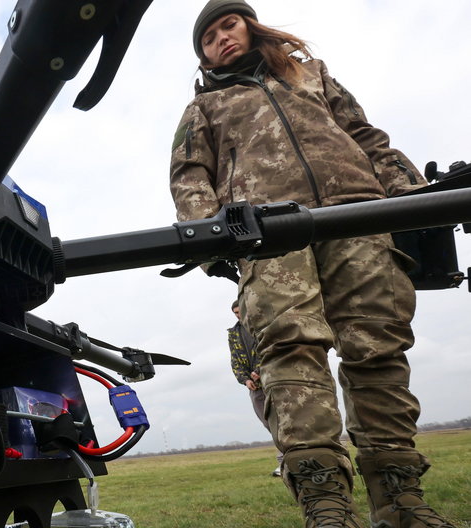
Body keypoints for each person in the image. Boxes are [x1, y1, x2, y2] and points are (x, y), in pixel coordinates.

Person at [170, 1, 456, 527]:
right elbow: (190, 175)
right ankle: (325, 501)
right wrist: (214, 245)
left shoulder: (313, 76)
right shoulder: (204, 108)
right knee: (290, 351)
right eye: (207, 38)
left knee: (379, 348)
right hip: (268, 233)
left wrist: (415, 199)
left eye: (227, 25)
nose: (220, 40)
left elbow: (367, 137)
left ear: (249, 26)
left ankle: (400, 499)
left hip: (359, 216)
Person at [228, 299, 282, 477]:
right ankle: (284, 463)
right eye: (235, 313)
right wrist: (244, 379)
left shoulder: (261, 325)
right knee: (269, 423)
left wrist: (260, 370)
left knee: (283, 420)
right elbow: (235, 360)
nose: (238, 315)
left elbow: (270, 348)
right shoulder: (234, 333)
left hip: (273, 380)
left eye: (239, 311)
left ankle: (292, 460)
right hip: (254, 387)